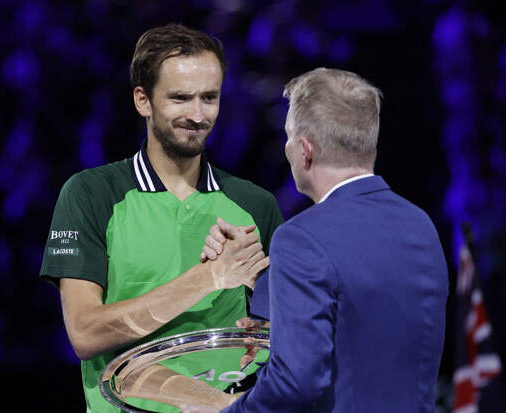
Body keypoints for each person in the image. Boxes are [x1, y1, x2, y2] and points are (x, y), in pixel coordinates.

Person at [39, 23, 283, 413]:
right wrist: (208, 278)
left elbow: (280, 338)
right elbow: (85, 333)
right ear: (143, 101)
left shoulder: (256, 205)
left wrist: (263, 306)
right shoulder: (90, 194)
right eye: (180, 98)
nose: (198, 115)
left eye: (209, 98)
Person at [204, 68, 449, 412]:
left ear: (305, 150)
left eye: (288, 137)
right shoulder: (421, 225)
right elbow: (366, 324)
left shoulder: (300, 238)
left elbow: (296, 383)